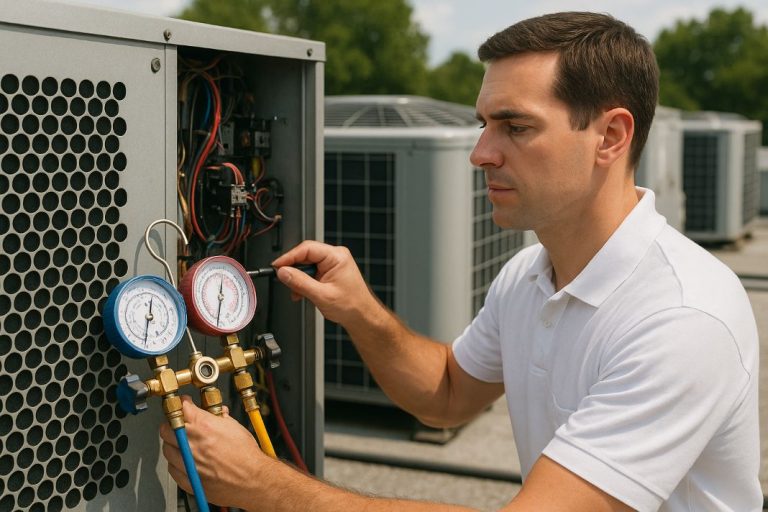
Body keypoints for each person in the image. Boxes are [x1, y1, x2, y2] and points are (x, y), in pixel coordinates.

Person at [160, 11, 760, 511]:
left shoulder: (682, 316)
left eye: (515, 127)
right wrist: (362, 312)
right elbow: (447, 392)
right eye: (482, 125)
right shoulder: (530, 273)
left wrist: (260, 483)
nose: (480, 153)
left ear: (610, 136)